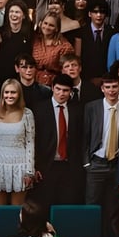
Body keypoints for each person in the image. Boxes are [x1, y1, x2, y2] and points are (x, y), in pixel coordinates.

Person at [84, 72, 119, 237]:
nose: (111, 90)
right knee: (92, 206)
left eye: (115, 87)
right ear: (102, 89)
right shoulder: (92, 107)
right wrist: (87, 163)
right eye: (108, 87)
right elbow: (85, 136)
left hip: (117, 165)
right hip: (96, 163)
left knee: (113, 208)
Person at [32, 74, 84, 207]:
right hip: (47, 166)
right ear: (52, 88)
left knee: (67, 206)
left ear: (71, 91)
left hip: (70, 166)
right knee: (45, 205)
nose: (61, 94)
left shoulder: (77, 109)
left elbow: (80, 139)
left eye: (65, 90)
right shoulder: (39, 109)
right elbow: (34, 140)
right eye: (58, 89)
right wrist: (36, 165)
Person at [0, 78, 35, 205]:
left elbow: (30, 143)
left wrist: (30, 171)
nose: (9, 96)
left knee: (17, 211)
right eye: (6, 92)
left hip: (20, 166)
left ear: (19, 94)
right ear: (2, 94)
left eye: (13, 92)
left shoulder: (27, 114)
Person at [0, 0, 33, 85]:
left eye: (17, 12)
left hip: (21, 77)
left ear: (23, 16)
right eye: (11, 11)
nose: (14, 14)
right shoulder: (0, 32)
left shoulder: (29, 33)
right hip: (2, 76)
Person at [32, 13, 74, 86]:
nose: (47, 27)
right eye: (45, 23)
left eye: (51, 25)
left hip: (53, 84)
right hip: (33, 81)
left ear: (57, 28)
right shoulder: (35, 40)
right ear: (41, 23)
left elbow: (67, 71)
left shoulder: (65, 46)